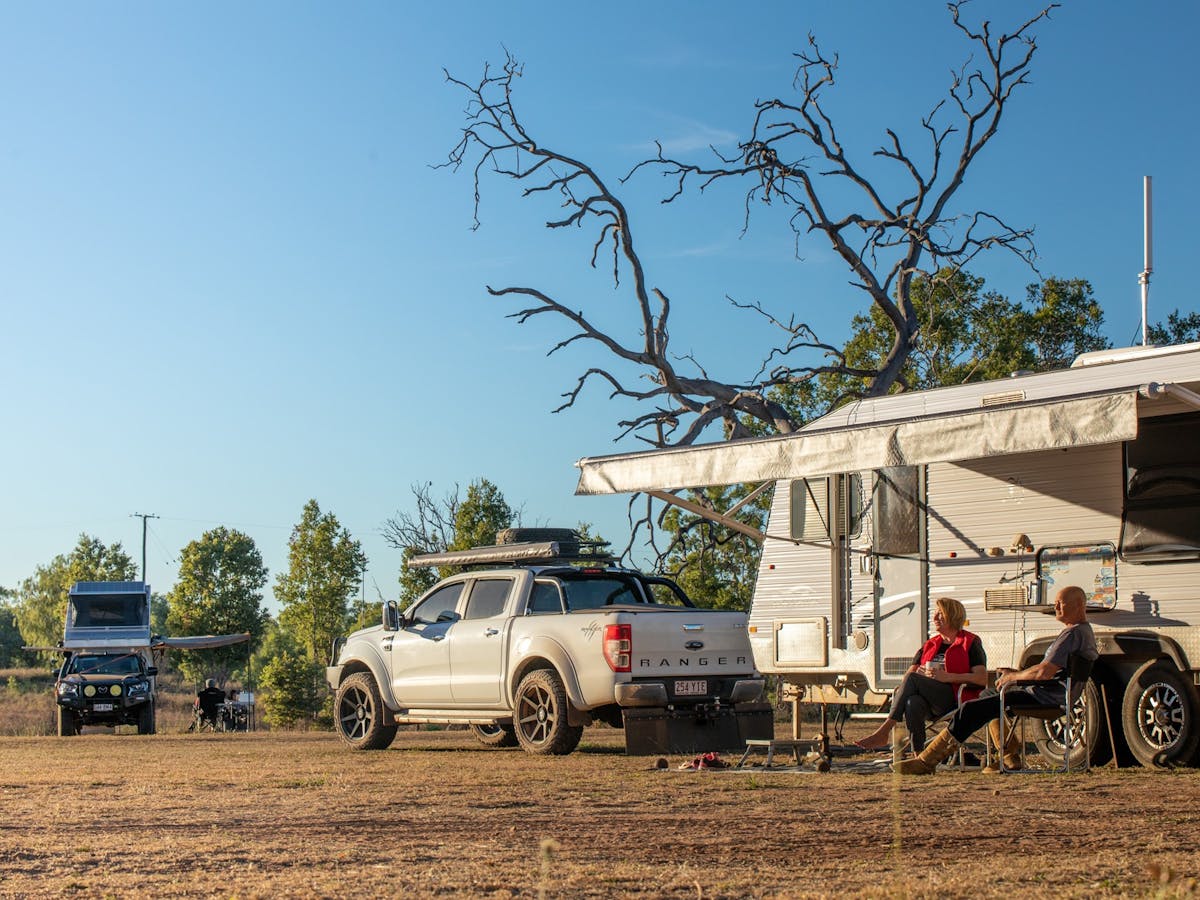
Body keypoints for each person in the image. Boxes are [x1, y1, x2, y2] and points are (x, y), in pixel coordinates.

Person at [897, 585, 1099, 775]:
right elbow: (1051, 670)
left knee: (971, 709)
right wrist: (1017, 672)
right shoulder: (1082, 632)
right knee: (988, 694)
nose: (1055, 607)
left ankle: (927, 761)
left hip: (1046, 696)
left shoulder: (1072, 634)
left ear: (1079, 604)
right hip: (1052, 691)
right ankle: (1010, 755)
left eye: (1061, 603)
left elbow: (1044, 673)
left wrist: (1014, 676)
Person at [854, 596, 987, 753]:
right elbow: (910, 675)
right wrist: (921, 672)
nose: (935, 617)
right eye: (935, 613)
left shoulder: (969, 643)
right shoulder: (930, 644)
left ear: (952, 615)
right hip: (930, 701)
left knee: (913, 680)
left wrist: (947, 676)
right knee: (912, 703)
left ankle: (884, 731)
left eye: (940, 613)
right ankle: (918, 756)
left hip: (956, 699)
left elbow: (981, 678)